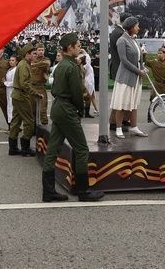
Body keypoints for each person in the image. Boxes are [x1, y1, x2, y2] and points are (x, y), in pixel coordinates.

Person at [42, 32, 105, 203]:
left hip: (58, 107)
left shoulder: (61, 65)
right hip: (68, 109)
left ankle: (48, 191)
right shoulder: (72, 67)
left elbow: (54, 90)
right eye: (77, 45)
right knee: (81, 149)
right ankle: (83, 190)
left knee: (53, 149)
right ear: (69, 48)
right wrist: (80, 109)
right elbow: (78, 93)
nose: (80, 48)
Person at [110, 17, 148, 139]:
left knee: (133, 104)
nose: (139, 28)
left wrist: (142, 67)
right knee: (121, 104)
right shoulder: (122, 40)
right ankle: (119, 128)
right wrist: (138, 71)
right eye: (137, 26)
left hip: (135, 78)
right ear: (131, 27)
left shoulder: (134, 40)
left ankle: (134, 127)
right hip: (125, 79)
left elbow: (137, 58)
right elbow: (124, 61)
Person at [8, 43, 40, 157]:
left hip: (17, 95)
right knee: (29, 122)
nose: (36, 55)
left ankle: (13, 148)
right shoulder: (24, 65)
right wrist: (35, 93)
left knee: (16, 121)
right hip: (21, 96)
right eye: (34, 54)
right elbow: (24, 84)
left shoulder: (23, 64)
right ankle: (25, 147)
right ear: (28, 54)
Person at [109, 13, 132, 132]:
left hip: (119, 67)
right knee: (120, 97)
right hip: (120, 68)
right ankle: (114, 122)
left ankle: (123, 120)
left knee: (124, 96)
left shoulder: (118, 32)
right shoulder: (119, 33)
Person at [144, 47, 165, 123]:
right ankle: (150, 117)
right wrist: (144, 55)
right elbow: (145, 62)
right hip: (157, 84)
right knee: (153, 100)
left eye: (161, 53)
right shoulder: (154, 62)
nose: (159, 55)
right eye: (158, 53)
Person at [30, 44, 51, 125]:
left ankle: (44, 129)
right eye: (39, 50)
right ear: (36, 51)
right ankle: (33, 128)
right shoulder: (32, 59)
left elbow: (46, 64)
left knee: (43, 109)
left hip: (41, 87)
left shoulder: (46, 59)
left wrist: (34, 65)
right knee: (32, 109)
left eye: (42, 50)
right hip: (32, 87)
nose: (41, 52)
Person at [3, 55, 18, 125]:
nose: (11, 62)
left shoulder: (15, 70)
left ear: (16, 62)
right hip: (8, 90)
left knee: (11, 106)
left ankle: (13, 123)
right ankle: (11, 122)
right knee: (9, 105)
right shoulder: (9, 69)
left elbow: (14, 82)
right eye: (10, 60)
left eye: (13, 60)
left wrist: (5, 82)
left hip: (12, 90)